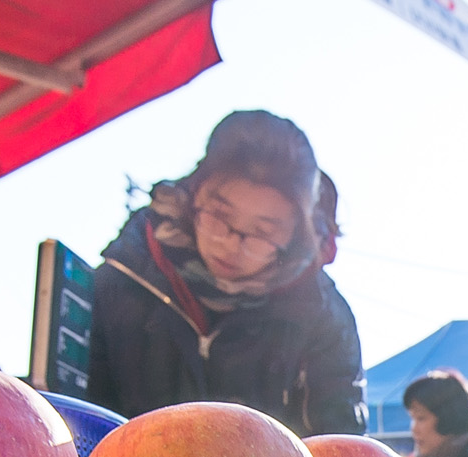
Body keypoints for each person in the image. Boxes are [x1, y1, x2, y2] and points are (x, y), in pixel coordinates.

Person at [86, 110, 365, 436]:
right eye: (219, 215)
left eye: (262, 232)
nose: (231, 244)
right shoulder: (123, 279)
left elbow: (338, 444)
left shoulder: (322, 318)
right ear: (193, 194)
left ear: (294, 236)